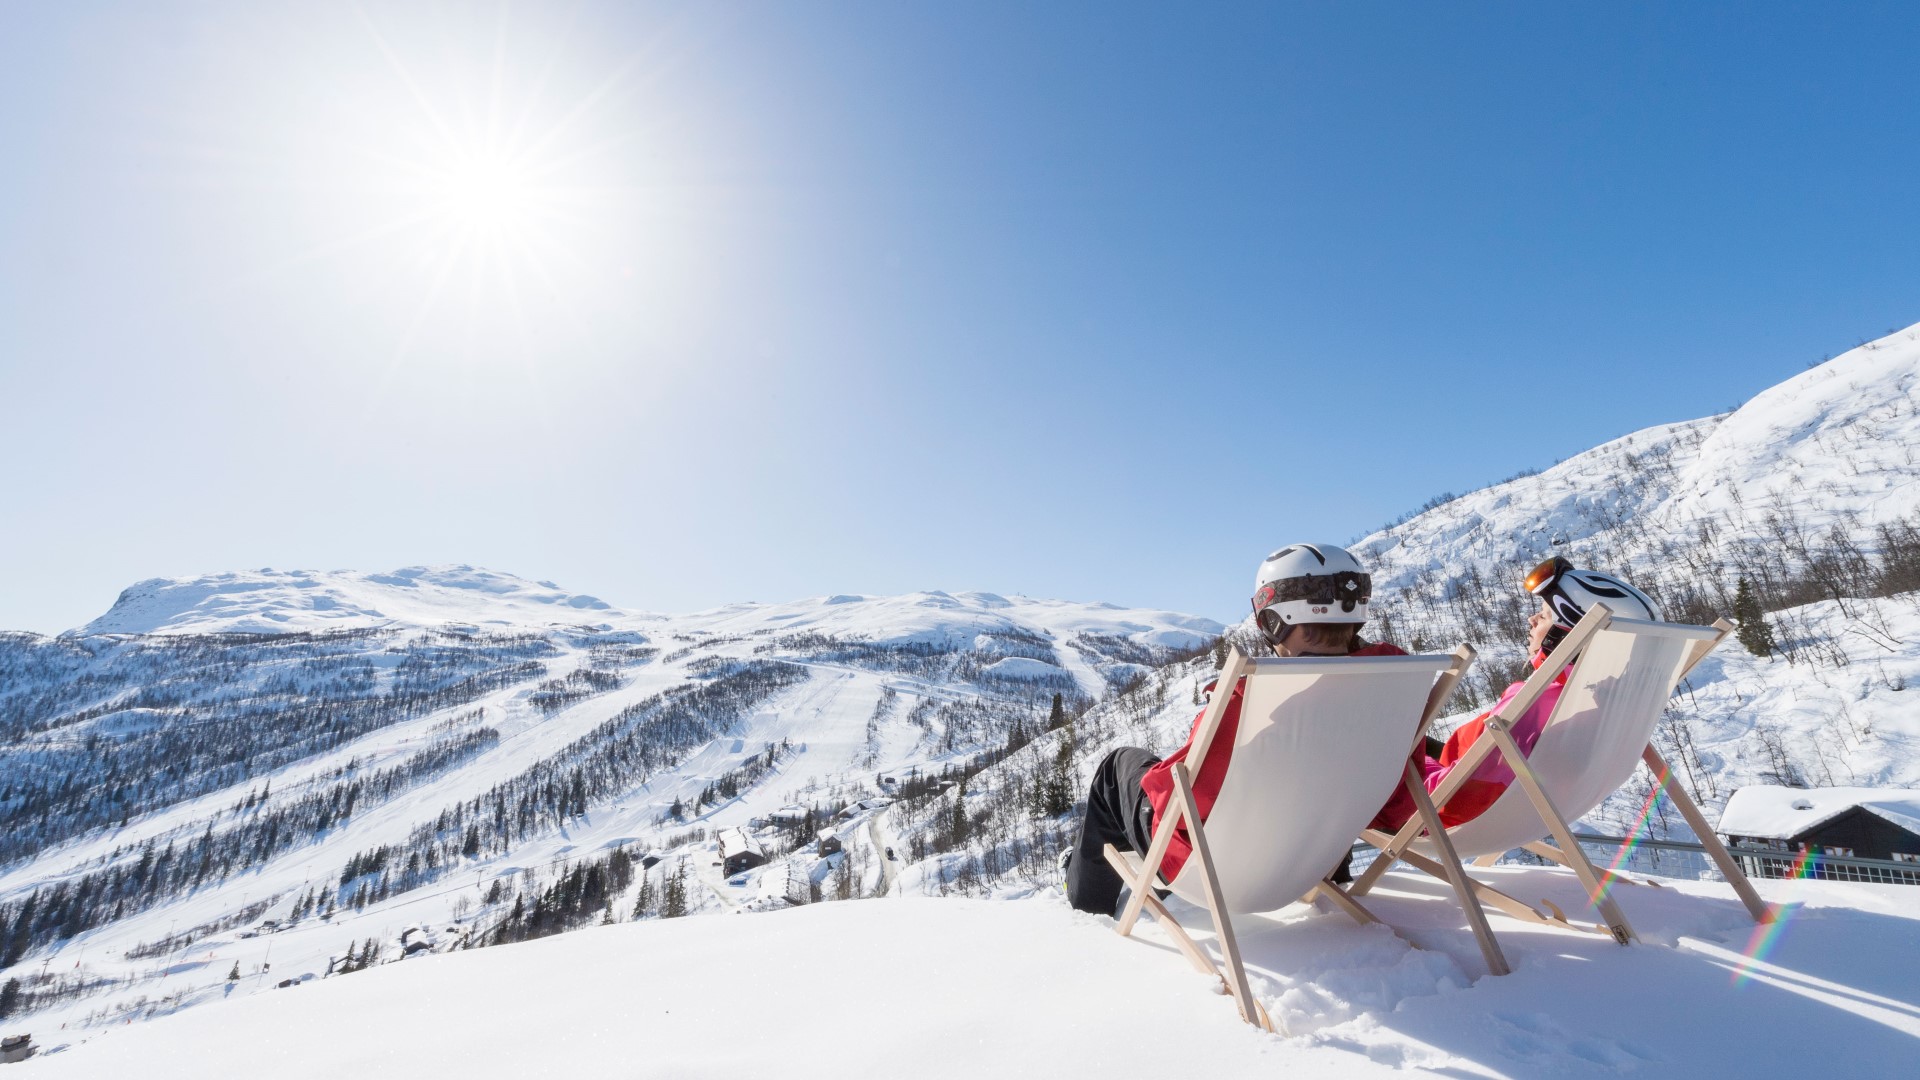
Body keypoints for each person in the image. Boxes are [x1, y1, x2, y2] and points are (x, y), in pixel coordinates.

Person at [1063, 543, 1405, 916]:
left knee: (1119, 767)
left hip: (1218, 874)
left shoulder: (1254, 701)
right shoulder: (1389, 687)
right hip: (1315, 857)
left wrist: (1162, 777)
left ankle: (1088, 902)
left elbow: (1183, 808)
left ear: (1273, 621)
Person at [1369, 556, 1663, 832]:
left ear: (1565, 636)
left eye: (1546, 615)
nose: (1532, 620)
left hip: (1430, 810)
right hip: (1502, 802)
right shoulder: (1597, 704)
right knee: (1415, 743)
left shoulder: (1537, 704)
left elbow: (1462, 794)